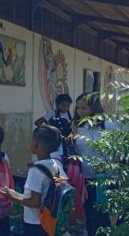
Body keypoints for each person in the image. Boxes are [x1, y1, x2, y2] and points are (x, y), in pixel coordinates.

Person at [0, 126, 67, 236]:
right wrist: (15, 193)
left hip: (35, 223)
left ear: (36, 145)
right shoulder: (56, 164)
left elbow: (35, 202)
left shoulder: (36, 171)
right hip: (51, 220)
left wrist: (12, 197)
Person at [73, 92, 119, 236]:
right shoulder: (77, 126)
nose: (80, 112)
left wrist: (107, 167)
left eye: (84, 108)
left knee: (105, 217)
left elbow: (119, 152)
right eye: (78, 108)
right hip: (86, 180)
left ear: (94, 108)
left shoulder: (108, 125)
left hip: (106, 179)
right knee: (90, 216)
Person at [35, 94, 73, 159]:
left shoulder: (69, 116)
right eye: (63, 105)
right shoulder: (52, 114)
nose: (65, 108)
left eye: (67, 106)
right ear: (58, 105)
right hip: (53, 142)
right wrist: (48, 130)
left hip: (65, 143)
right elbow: (37, 122)